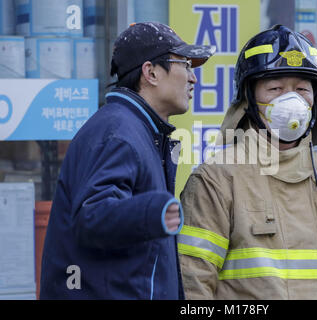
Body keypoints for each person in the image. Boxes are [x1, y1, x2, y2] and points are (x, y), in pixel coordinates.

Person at [178, 25, 317, 299]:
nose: (292, 100)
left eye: (302, 88)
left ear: (316, 99)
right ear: (249, 98)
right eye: (275, 88)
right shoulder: (217, 180)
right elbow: (192, 283)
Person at [39, 22, 215, 299]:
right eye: (185, 65)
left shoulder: (136, 129)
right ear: (151, 72)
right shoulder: (118, 133)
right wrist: (155, 211)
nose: (193, 79)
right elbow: (92, 216)